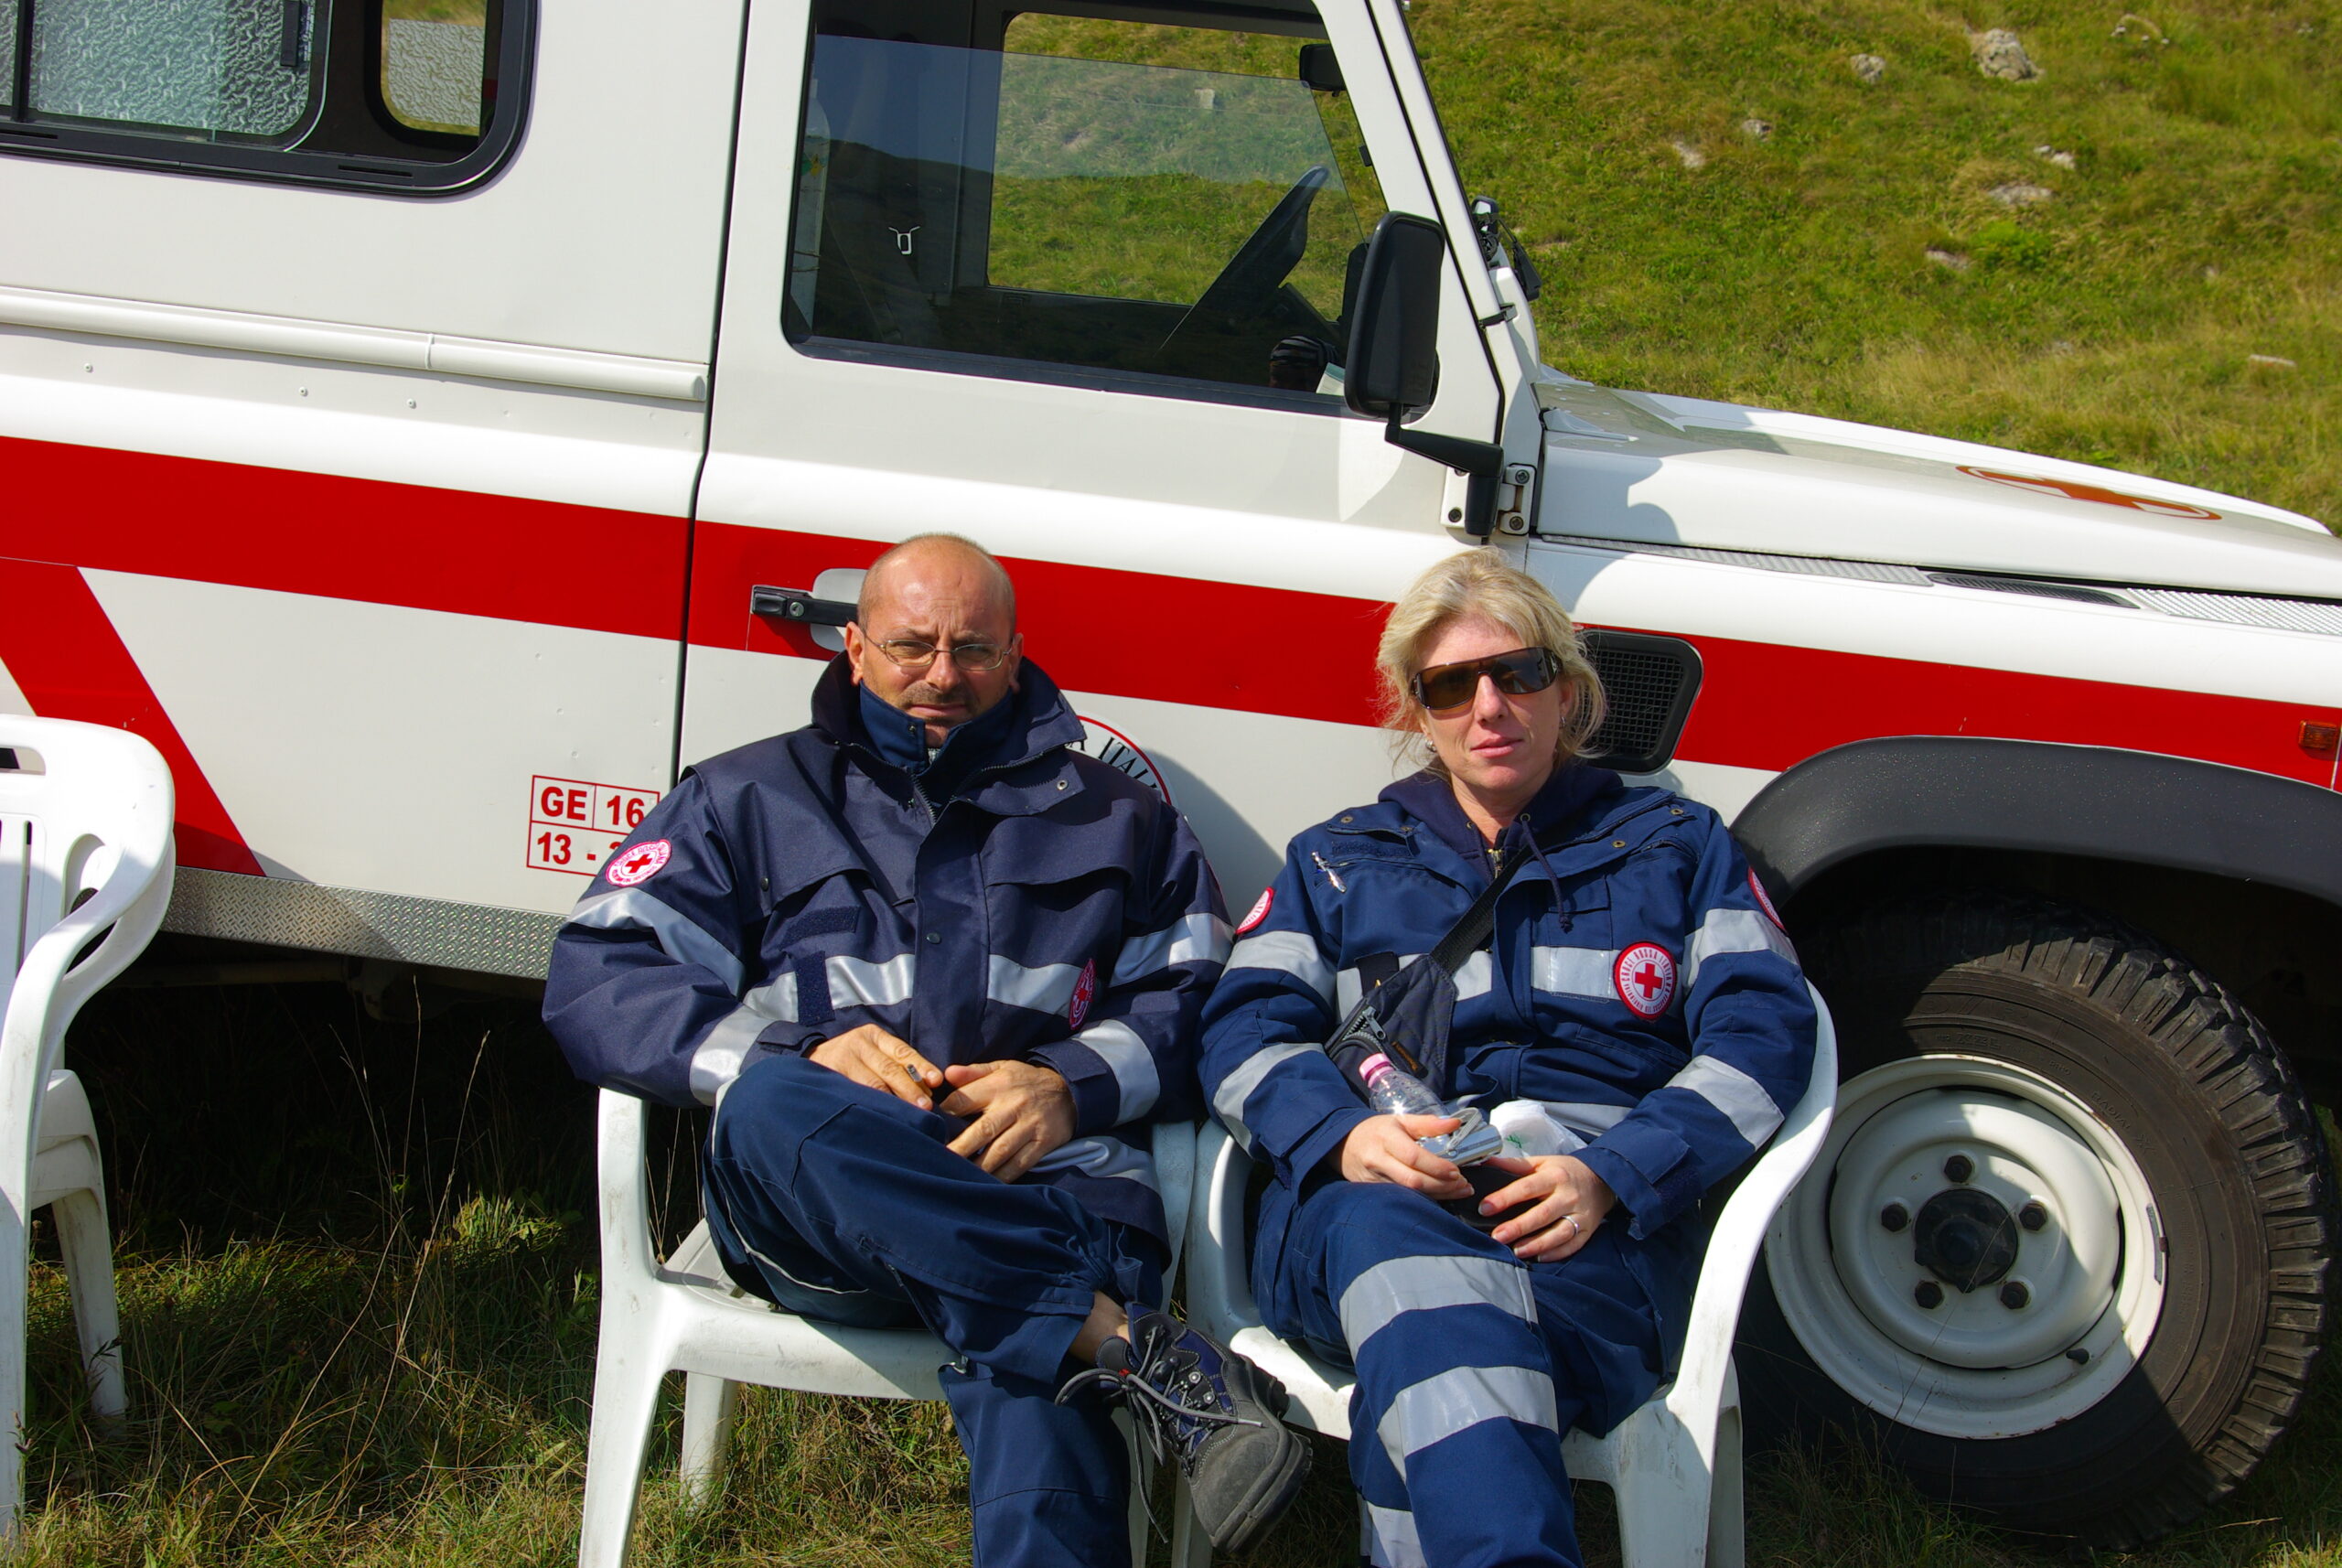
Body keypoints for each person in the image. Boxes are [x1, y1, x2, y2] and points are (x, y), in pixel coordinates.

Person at [543, 533, 1307, 1566]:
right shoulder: (747, 798)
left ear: (1018, 651)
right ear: (854, 648)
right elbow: (600, 977)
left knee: (1033, 1367)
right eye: (912, 646)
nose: (942, 674)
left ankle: (1090, 1341)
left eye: (974, 649)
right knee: (772, 1102)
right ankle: (1122, 1343)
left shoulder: (1121, 818)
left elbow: (1198, 1000)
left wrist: (1069, 1087)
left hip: (1057, 1188)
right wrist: (795, 1047)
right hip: (826, 1221)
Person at [1198, 550, 1817, 1568]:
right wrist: (1343, 1138)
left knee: (1432, 1354)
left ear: (1565, 690)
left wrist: (1613, 1176)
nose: (1489, 706)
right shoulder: (1333, 860)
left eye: (1518, 674)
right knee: (1394, 1244)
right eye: (1450, 685)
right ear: (1416, 710)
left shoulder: (1676, 844)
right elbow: (1238, 1029)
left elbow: (1764, 1039)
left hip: (1588, 1241)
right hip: (1358, 1214)